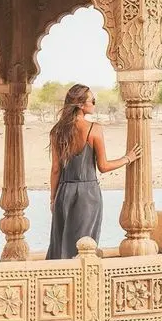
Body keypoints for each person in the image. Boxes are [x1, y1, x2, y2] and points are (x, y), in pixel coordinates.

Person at [46, 83, 142, 259]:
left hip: (63, 193)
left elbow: (55, 169)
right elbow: (103, 166)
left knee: (60, 244)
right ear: (81, 105)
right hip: (88, 194)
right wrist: (127, 158)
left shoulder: (57, 131)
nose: (94, 104)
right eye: (93, 100)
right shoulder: (94, 129)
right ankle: (81, 282)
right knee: (85, 245)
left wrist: (53, 199)